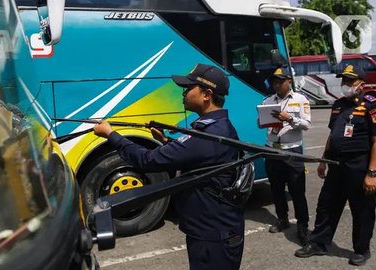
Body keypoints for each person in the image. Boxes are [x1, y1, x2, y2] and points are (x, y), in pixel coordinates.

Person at [94, 63, 244, 269]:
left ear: (207, 94)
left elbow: (148, 160)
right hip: (214, 230)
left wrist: (111, 135)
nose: (183, 93)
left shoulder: (208, 134)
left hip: (213, 237)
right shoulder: (217, 127)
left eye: (188, 88)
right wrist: (166, 142)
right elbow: (201, 157)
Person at [295, 65, 376, 266]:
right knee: (326, 205)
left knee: (362, 209)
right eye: (343, 80)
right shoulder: (338, 105)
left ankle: (362, 249)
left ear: (361, 84)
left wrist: (372, 172)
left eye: (349, 81)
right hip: (336, 164)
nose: (344, 85)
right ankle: (319, 243)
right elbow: (332, 133)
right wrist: (323, 160)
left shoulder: (372, 106)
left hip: (359, 165)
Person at [260, 67, 311, 244]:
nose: (277, 84)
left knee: (297, 191)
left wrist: (289, 118)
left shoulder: (300, 100)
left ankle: (303, 226)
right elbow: (261, 123)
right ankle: (283, 219)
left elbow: (306, 124)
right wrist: (261, 121)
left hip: (292, 151)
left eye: (280, 81)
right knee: (276, 189)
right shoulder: (267, 101)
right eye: (275, 81)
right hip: (272, 150)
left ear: (289, 81)